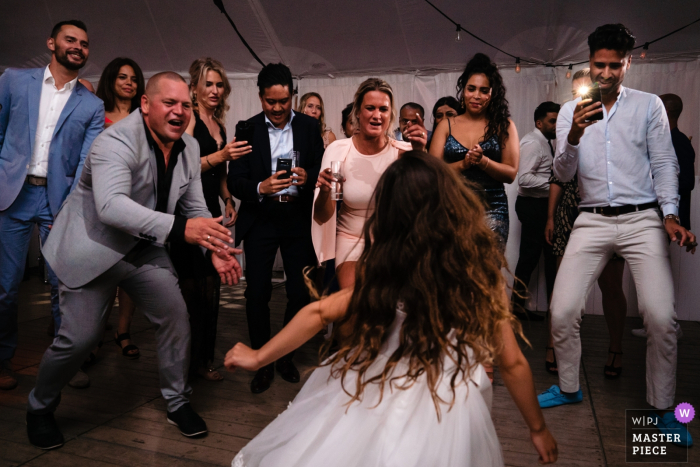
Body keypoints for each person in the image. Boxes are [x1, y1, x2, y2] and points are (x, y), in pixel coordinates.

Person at [225, 152, 558, 466]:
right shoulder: (479, 273)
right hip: (449, 403)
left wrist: (258, 357)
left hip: (382, 388)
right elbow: (512, 362)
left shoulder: (386, 268)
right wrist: (538, 428)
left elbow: (319, 313)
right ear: (451, 202)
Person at [25, 72, 243, 449]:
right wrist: (181, 230)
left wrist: (217, 248)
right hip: (93, 248)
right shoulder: (114, 141)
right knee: (78, 340)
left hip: (143, 248)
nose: (179, 112)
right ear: (145, 104)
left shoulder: (189, 148)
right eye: (168, 103)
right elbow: (111, 207)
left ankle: (177, 401)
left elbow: (194, 209)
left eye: (185, 105)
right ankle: (40, 407)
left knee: (176, 316)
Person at [540, 24, 696, 448]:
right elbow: (562, 173)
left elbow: (665, 163)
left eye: (614, 65)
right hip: (590, 219)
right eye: (598, 65)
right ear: (589, 64)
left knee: (662, 317)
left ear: (628, 63)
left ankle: (663, 410)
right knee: (561, 311)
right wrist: (573, 136)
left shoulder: (648, 107)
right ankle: (569, 387)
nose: (606, 73)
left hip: (643, 218)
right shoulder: (572, 111)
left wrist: (669, 215)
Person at [0, 20, 104, 391]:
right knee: (6, 288)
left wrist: (70, 205)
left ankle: (64, 364)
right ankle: (2, 360)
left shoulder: (92, 105)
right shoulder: (13, 80)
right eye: (70, 39)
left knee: (65, 287)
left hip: (58, 201)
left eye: (84, 43)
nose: (78, 46)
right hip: (11, 195)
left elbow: (85, 163)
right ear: (51, 43)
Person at [227, 63, 324, 394]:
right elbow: (234, 179)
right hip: (261, 219)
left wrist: (308, 176)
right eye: (271, 102)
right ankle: (261, 360)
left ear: (292, 96)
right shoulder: (247, 129)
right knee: (257, 293)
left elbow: (320, 166)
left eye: (284, 101)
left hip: (297, 217)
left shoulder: (310, 127)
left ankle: (285, 355)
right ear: (260, 97)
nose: (279, 108)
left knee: (300, 292)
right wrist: (259, 187)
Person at [544, 68, 629, 378]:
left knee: (611, 284)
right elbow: (558, 173)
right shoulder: (567, 117)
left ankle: (616, 348)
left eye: (589, 87)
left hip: (610, 205)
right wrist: (551, 216)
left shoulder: (619, 116)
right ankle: (553, 346)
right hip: (570, 206)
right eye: (579, 89)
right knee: (562, 283)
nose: (585, 93)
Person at [170, 57, 250, 382]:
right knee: (191, 291)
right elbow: (183, 167)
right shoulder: (188, 119)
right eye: (209, 84)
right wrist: (220, 155)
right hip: (189, 213)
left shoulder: (219, 123)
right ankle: (185, 367)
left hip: (212, 210)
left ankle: (203, 361)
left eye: (219, 85)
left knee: (210, 289)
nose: (215, 90)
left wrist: (229, 199)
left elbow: (221, 173)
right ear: (195, 88)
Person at [312, 78, 426, 289]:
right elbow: (322, 216)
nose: (376, 115)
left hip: (393, 241)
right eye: (370, 108)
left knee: (386, 308)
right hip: (350, 239)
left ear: (391, 114)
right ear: (357, 112)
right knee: (353, 304)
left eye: (383, 109)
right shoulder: (338, 151)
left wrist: (420, 154)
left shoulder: (403, 152)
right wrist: (325, 192)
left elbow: (421, 203)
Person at [430, 53, 520, 250]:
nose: (476, 96)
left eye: (484, 90)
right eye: (471, 89)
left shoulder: (503, 126)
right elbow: (433, 173)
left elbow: (511, 173)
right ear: (463, 90)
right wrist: (464, 163)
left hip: (493, 210)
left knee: (488, 274)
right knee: (456, 274)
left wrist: (483, 161)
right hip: (453, 209)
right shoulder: (446, 126)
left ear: (492, 93)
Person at [631, 94, 695, 340]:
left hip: (665, 218)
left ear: (664, 113)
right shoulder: (662, 140)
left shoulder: (678, 142)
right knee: (651, 272)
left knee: (657, 272)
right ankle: (656, 324)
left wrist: (667, 208)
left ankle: (670, 325)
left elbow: (687, 182)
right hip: (656, 216)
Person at [95, 57, 147, 359]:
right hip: (106, 199)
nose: (128, 82)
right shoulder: (96, 114)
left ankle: (123, 330)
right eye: (122, 77)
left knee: (130, 269)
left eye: (133, 78)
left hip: (138, 200)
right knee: (103, 271)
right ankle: (95, 334)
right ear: (111, 80)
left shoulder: (145, 117)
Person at [511, 102, 559, 322]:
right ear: (539, 123)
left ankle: (552, 309)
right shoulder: (533, 143)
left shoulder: (546, 142)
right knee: (531, 258)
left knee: (547, 258)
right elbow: (524, 179)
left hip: (541, 207)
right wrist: (557, 184)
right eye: (552, 120)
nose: (557, 124)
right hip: (533, 207)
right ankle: (517, 308)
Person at [96, 57, 145, 127]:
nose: (129, 83)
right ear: (110, 81)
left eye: (134, 80)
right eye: (122, 77)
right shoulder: (97, 115)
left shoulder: (146, 116)